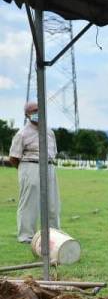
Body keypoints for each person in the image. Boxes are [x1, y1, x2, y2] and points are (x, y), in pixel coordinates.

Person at [9, 102, 60, 243]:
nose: (38, 112)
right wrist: (25, 171)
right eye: (34, 110)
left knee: (53, 203)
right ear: (27, 115)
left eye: (39, 110)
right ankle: (26, 236)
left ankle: (53, 233)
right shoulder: (22, 134)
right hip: (30, 166)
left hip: (49, 166)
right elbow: (13, 157)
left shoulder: (50, 132)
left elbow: (53, 152)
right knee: (29, 203)